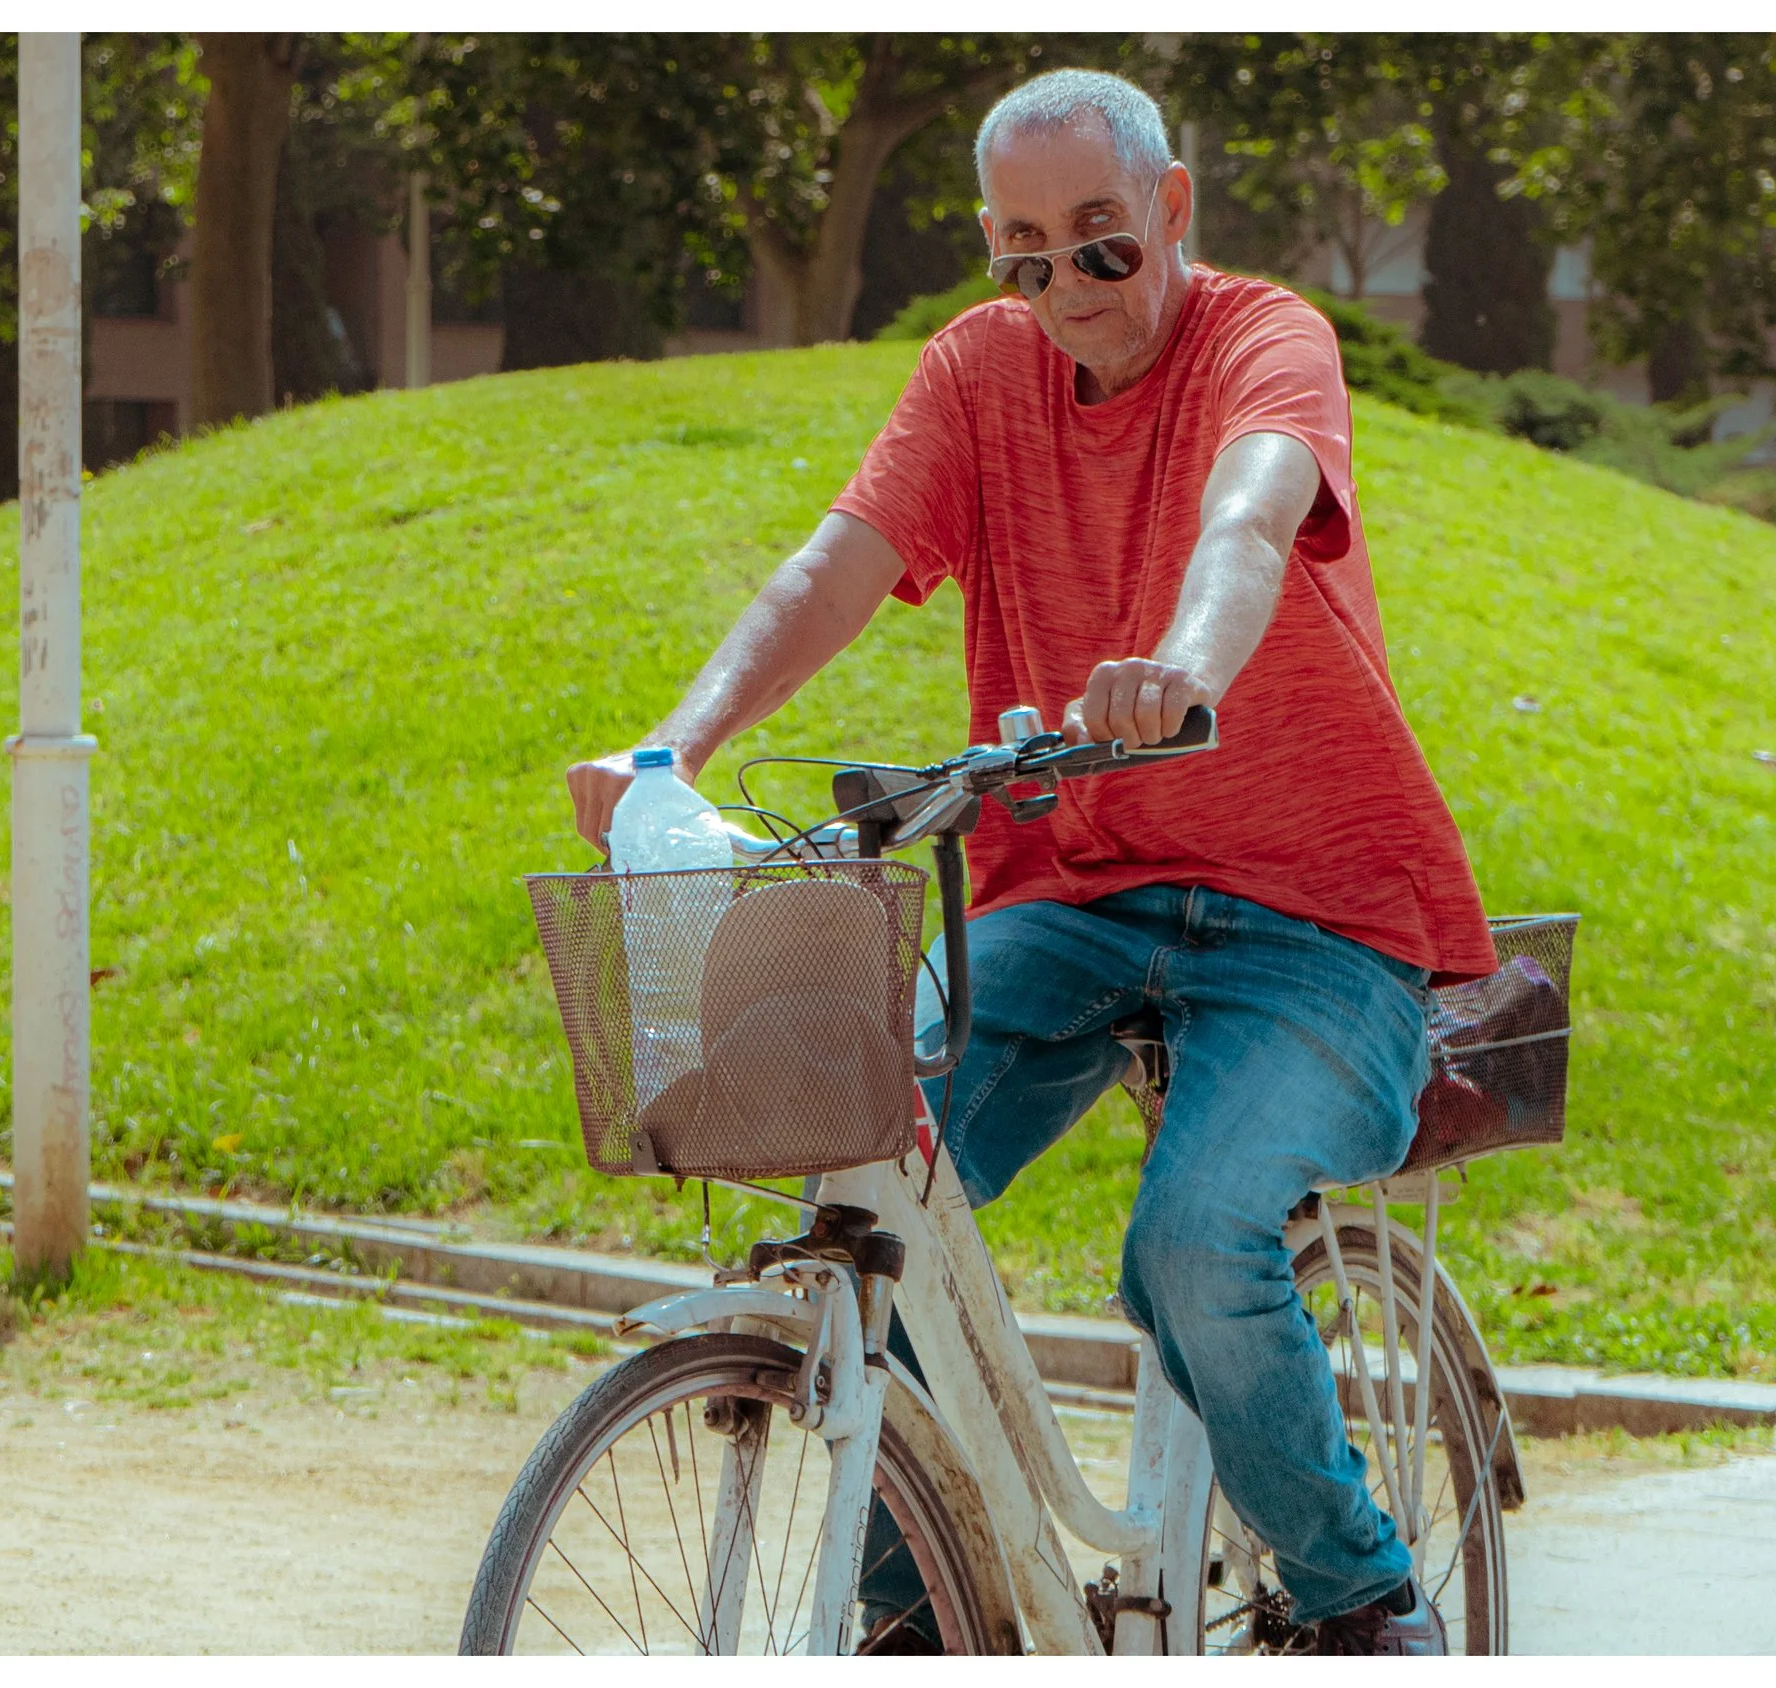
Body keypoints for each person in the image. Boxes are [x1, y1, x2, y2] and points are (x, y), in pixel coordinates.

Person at [566, 68, 1497, 1656]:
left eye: (1099, 246)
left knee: (1195, 1242)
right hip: (1072, 895)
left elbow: (1251, 521)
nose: (1062, 289)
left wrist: (1185, 663)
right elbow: (839, 561)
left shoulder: (1267, 340)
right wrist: (674, 748)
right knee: (874, 1183)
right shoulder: (978, 375)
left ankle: (1361, 1598)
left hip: (1318, 925)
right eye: (1021, 255)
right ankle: (916, 1607)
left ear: (1174, 210)